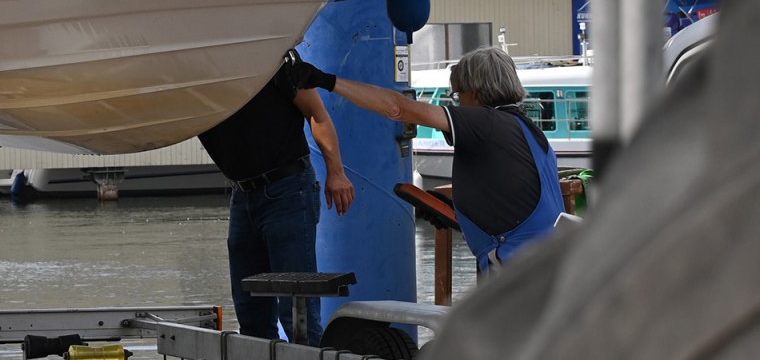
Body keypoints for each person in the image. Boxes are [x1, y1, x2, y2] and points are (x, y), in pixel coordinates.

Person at [283, 47, 562, 274]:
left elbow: (398, 109)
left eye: (457, 95)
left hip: (521, 270)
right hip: (551, 261)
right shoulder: (527, 128)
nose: (458, 102)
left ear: (474, 92)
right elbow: (514, 195)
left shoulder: (485, 122)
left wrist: (326, 81)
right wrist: (457, 207)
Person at [197, 61, 355, 346]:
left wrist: (337, 172)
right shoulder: (190, 80)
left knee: (298, 312)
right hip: (243, 194)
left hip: (288, 187)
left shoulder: (272, 62)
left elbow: (316, 112)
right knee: (250, 311)